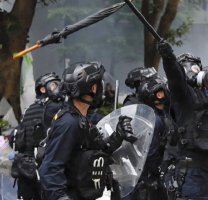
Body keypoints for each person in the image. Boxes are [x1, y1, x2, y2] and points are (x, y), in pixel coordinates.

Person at [39, 61, 135, 200]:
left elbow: (94, 154)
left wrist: (118, 135)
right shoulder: (69, 123)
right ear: (93, 88)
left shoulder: (82, 119)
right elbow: (50, 169)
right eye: (99, 84)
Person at [157, 42, 208, 200]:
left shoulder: (207, 96)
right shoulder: (183, 94)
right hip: (193, 169)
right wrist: (168, 59)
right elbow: (175, 78)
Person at [11, 72, 63, 200]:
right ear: (42, 89)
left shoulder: (29, 109)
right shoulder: (54, 107)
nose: (58, 88)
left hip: (25, 169)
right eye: (53, 85)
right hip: (43, 170)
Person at [123, 76, 175, 200]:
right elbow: (150, 153)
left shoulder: (159, 115)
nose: (160, 101)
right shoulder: (154, 119)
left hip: (140, 173)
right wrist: (158, 173)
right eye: (157, 99)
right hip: (144, 174)